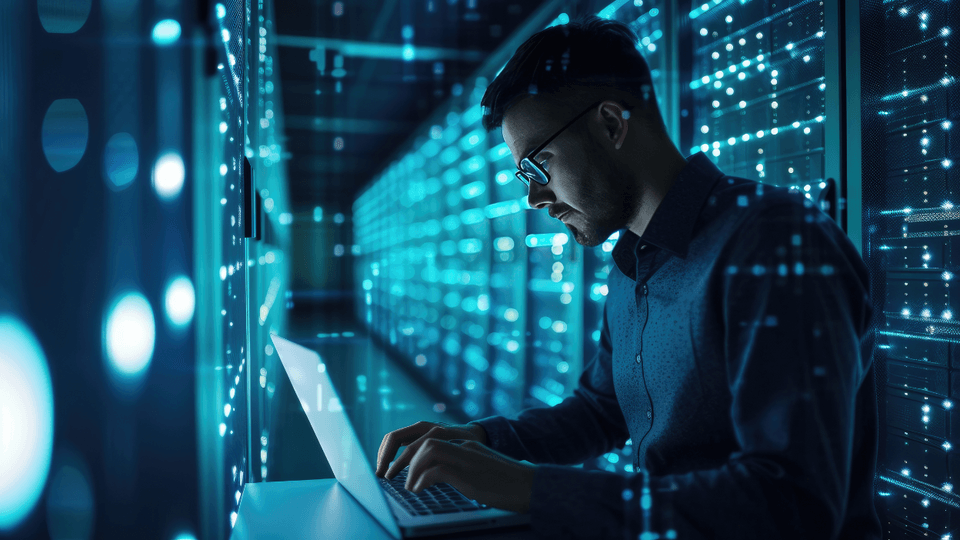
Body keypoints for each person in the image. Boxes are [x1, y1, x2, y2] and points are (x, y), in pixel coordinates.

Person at [375, 14, 881, 540]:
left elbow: (791, 504)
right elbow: (602, 409)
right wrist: (478, 442)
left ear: (611, 124)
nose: (534, 198)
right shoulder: (631, 265)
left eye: (538, 164)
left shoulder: (774, 241)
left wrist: (532, 488)